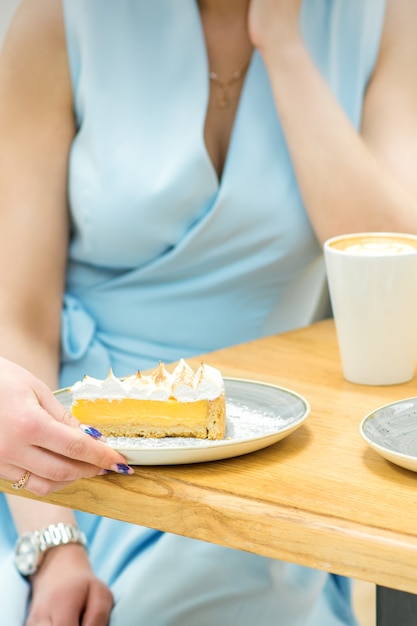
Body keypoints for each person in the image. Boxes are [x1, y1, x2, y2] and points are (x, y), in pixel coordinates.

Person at [0, 0, 417, 624]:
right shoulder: (57, 15)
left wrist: (284, 44)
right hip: (67, 450)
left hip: (265, 455)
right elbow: (17, 320)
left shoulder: (383, 16)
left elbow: (391, 272)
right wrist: (54, 547)